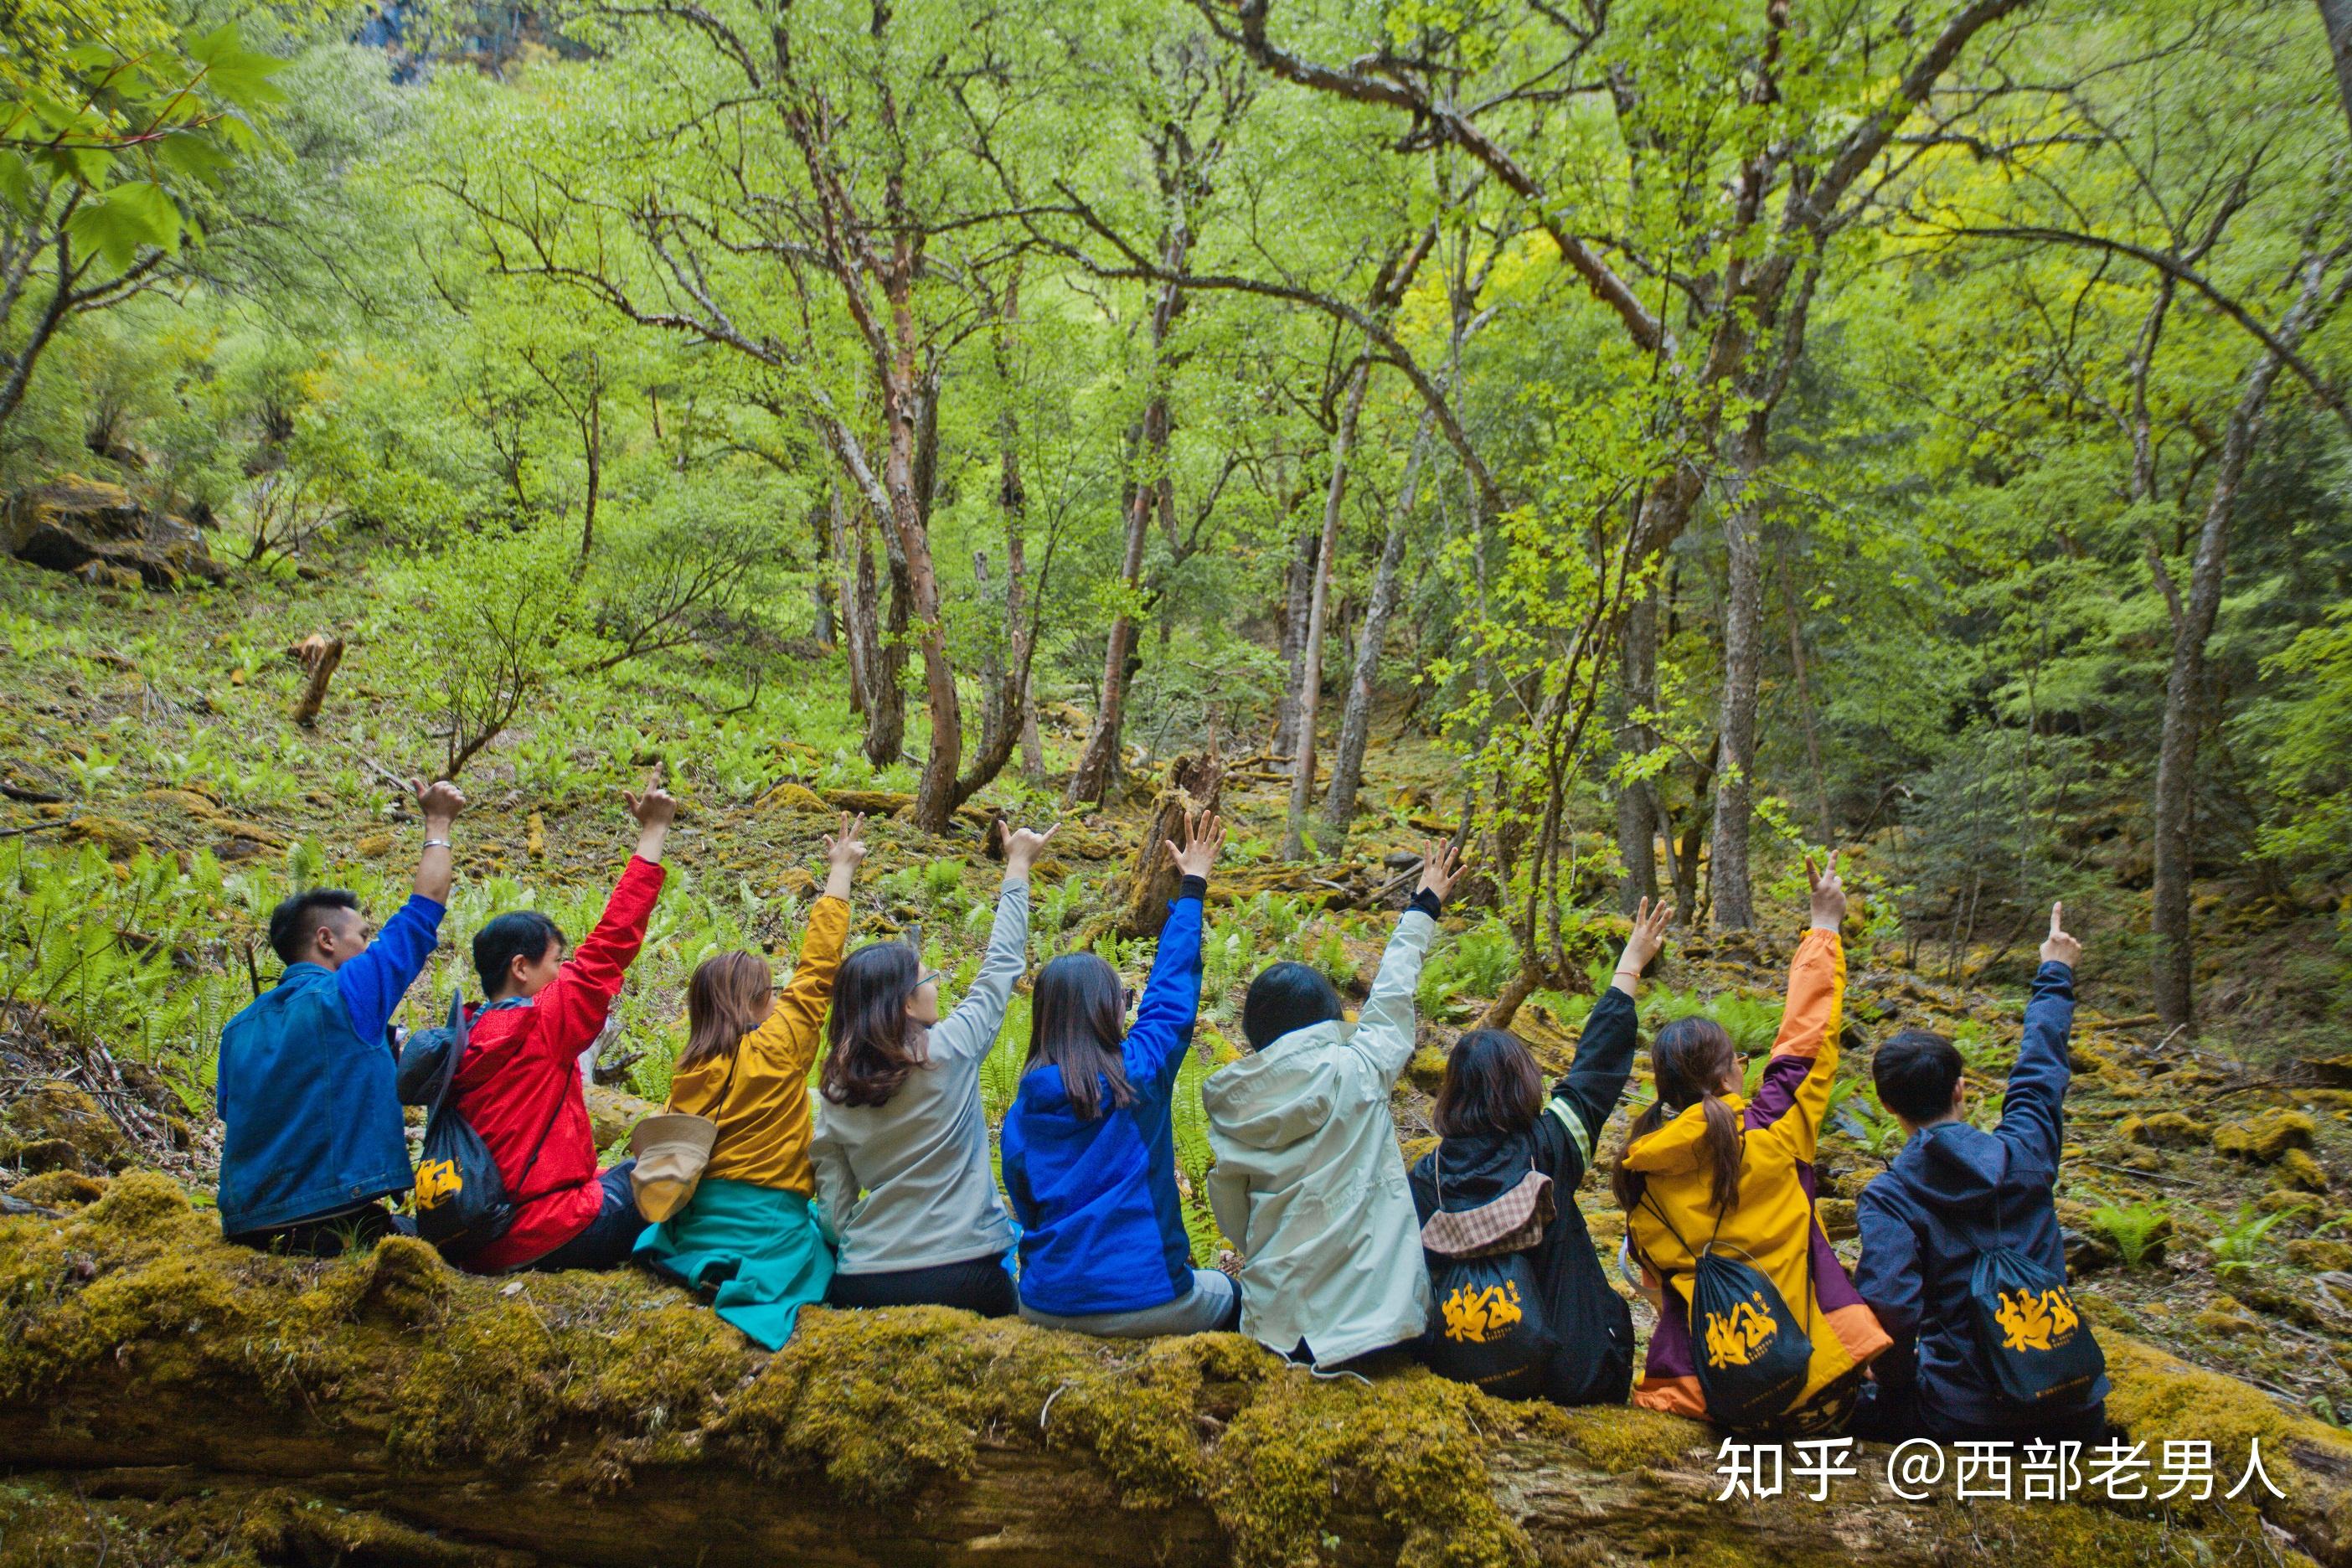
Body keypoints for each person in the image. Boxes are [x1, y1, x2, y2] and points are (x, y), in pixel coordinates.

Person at [1612, 853, 1890, 1433]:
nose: (1747, 1066)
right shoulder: (1774, 1129)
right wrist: (1824, 928)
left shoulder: (1641, 1171)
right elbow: (1806, 1038)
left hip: (1706, 1397)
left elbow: (1659, 1295)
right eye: (1740, 1059)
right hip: (1820, 1387)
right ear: (1725, 1077)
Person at [1852, 902, 2109, 1445]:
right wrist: (2055, 973)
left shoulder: (1890, 1196)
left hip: (1965, 1418)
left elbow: (1893, 1308)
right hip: (2076, 1406)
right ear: (1961, 1090)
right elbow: (2041, 1074)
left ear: (1889, 1108)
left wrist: (1896, 1383)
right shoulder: (2027, 1153)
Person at [1203, 840, 1463, 1369]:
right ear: (1328, 1017)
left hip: (1278, 1332)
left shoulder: (1233, 1106)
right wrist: (1423, 907)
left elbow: (1235, 1222)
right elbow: (1391, 994)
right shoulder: (1360, 1070)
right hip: (1383, 1326)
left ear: (1254, 1031)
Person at [1409, 896, 1674, 1406]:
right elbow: (1594, 1071)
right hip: (1574, 1379)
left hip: (1460, 1375)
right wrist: (1629, 966)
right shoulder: (1550, 1146)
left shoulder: (1427, 1176)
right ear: (1524, 1084)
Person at [634, 814, 867, 1349]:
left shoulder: (691, 1064)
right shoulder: (780, 1045)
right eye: (771, 991)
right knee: (818, 1259)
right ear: (757, 1002)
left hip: (696, 1218)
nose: (781, 997)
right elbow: (817, 969)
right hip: (767, 1224)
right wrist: (841, 873)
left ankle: (701, 1261)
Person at [1003, 812, 1235, 1338]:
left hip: (1045, 1304)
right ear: (1109, 1012)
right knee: (1232, 1294)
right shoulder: (1141, 1073)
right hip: (1150, 1296)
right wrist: (1193, 885)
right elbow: (1171, 997)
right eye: (1123, 1001)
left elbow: (1024, 1200)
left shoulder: (1022, 1113)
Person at [812, 823, 1055, 1316]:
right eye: (930, 979)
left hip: (863, 1278)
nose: (939, 987)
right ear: (903, 1004)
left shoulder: (834, 1090)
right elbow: (1001, 966)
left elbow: (836, 1213)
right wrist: (1018, 866)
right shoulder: (953, 1048)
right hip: (964, 1273)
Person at [215, 780, 466, 1256]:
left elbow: (241, 1115)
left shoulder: (236, 1029)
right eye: (363, 936)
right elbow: (422, 912)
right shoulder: (349, 994)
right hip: (333, 1220)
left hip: (249, 1228)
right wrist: (438, 823)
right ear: (327, 941)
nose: (370, 947)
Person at [445, 771, 675, 1274]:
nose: (564, 972)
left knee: (614, 1174)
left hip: (474, 1236)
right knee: (669, 1164)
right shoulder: (541, 1025)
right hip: (548, 1233)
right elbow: (610, 944)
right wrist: (652, 834)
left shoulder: (461, 1036)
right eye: (556, 962)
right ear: (521, 968)